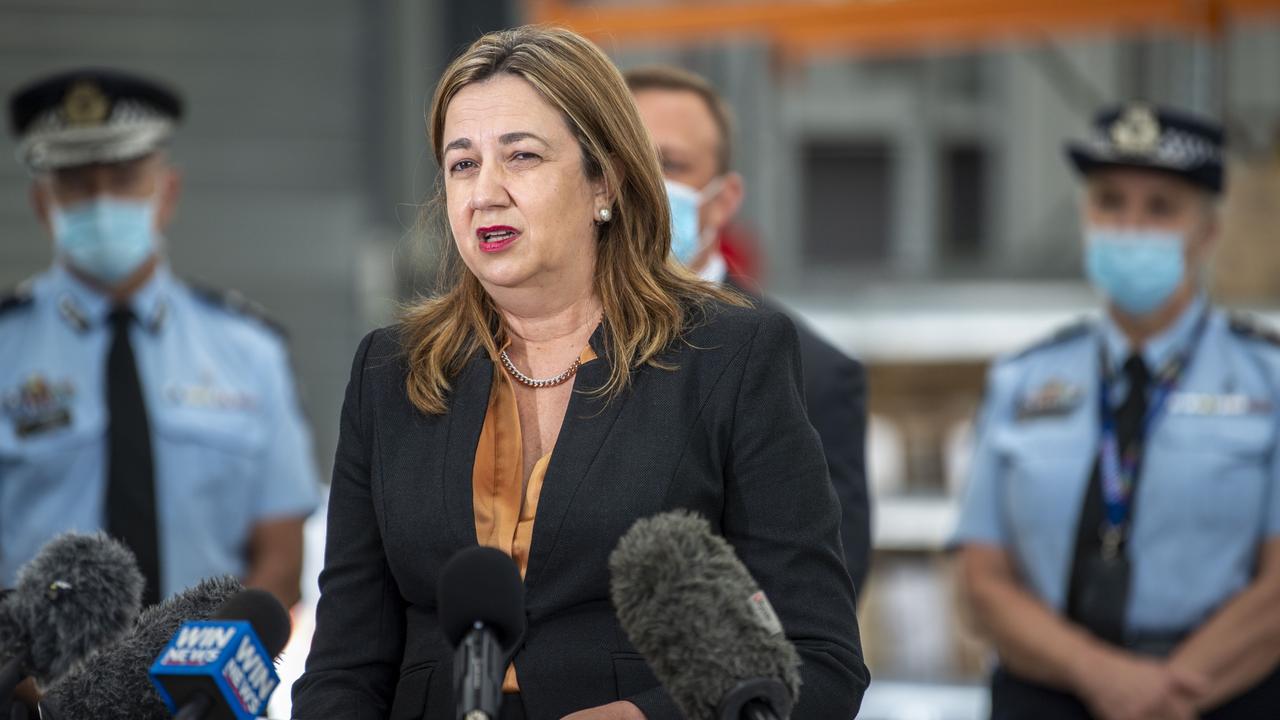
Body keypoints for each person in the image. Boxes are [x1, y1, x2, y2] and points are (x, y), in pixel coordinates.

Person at [292, 26, 867, 720]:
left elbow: (818, 658)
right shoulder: (391, 370)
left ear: (606, 181)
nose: (486, 193)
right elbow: (344, 668)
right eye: (462, 164)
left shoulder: (728, 356)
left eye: (522, 157)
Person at [953, 103, 1280, 719]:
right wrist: (1102, 675)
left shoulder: (1268, 379)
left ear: (1207, 232)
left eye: (1161, 208)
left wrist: (1167, 690)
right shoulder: (1022, 379)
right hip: (1050, 692)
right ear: (1086, 217)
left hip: (1222, 692)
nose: (1130, 226)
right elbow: (982, 579)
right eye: (1109, 201)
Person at [0, 69, 321, 607]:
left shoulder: (249, 351)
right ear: (42, 204)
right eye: (77, 183)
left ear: (167, 192)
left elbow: (282, 560)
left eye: (124, 178)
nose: (101, 202)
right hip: (35, 686)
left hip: (204, 680)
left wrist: (206, 671)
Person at [624, 65, 872, 594]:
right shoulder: (540, 341)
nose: (642, 183)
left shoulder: (813, 371)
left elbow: (821, 596)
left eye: (669, 163)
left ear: (725, 198)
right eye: (621, 157)